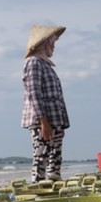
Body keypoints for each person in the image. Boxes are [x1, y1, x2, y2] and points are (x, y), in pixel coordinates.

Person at [21, 25, 69, 183]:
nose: (53, 47)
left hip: (54, 120)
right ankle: (39, 186)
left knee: (54, 156)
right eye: (52, 44)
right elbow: (34, 92)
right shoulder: (33, 62)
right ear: (43, 44)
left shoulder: (46, 64)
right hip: (42, 120)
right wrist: (43, 122)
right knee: (41, 153)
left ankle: (53, 185)